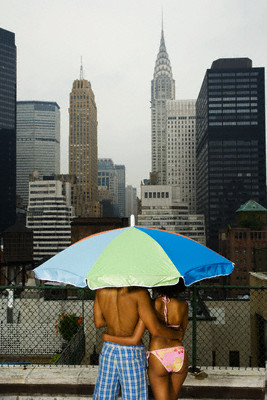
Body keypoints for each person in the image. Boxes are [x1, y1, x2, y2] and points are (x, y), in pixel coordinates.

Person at [102, 280, 188, 400]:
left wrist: (107, 336)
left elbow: (141, 332)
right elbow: (182, 332)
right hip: (179, 354)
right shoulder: (184, 305)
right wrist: (176, 334)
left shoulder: (151, 305)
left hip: (158, 354)